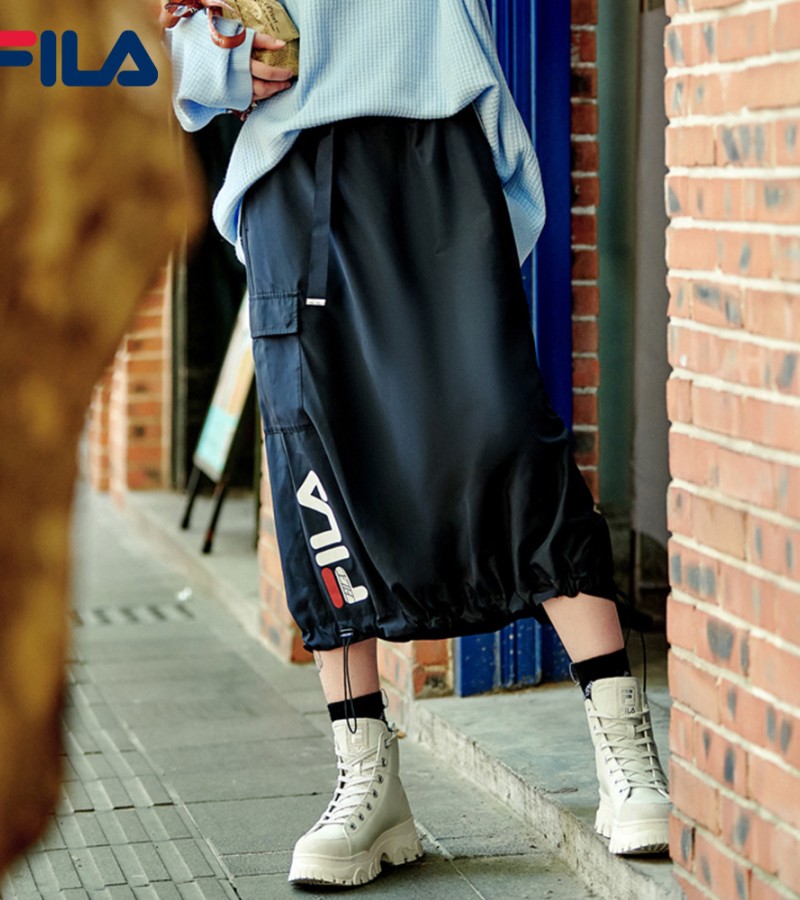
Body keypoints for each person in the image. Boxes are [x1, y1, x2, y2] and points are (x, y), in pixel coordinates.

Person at [163, 0, 671, 888]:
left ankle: (625, 748)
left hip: (437, 133)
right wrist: (219, 61)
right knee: (317, 470)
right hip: (292, 165)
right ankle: (367, 778)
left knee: (504, 436)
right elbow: (159, 37)